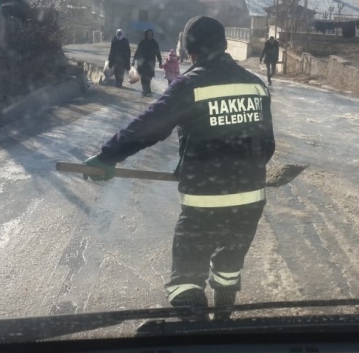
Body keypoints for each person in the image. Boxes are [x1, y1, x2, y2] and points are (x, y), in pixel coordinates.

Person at [83, 16, 275, 320]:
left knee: (186, 279)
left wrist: (108, 157)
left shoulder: (190, 85)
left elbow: (149, 128)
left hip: (204, 199)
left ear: (190, 50)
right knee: (229, 266)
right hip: (250, 199)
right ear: (225, 45)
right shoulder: (256, 85)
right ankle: (224, 323)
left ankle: (198, 338)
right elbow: (267, 146)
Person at [132, 29, 162, 96]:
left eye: (151, 34)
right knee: (143, 77)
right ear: (146, 34)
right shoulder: (142, 42)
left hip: (150, 63)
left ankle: (147, 89)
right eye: (148, 34)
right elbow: (137, 51)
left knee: (149, 77)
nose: (149, 35)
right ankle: (145, 90)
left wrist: (160, 61)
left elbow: (158, 53)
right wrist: (134, 60)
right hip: (142, 63)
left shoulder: (154, 43)